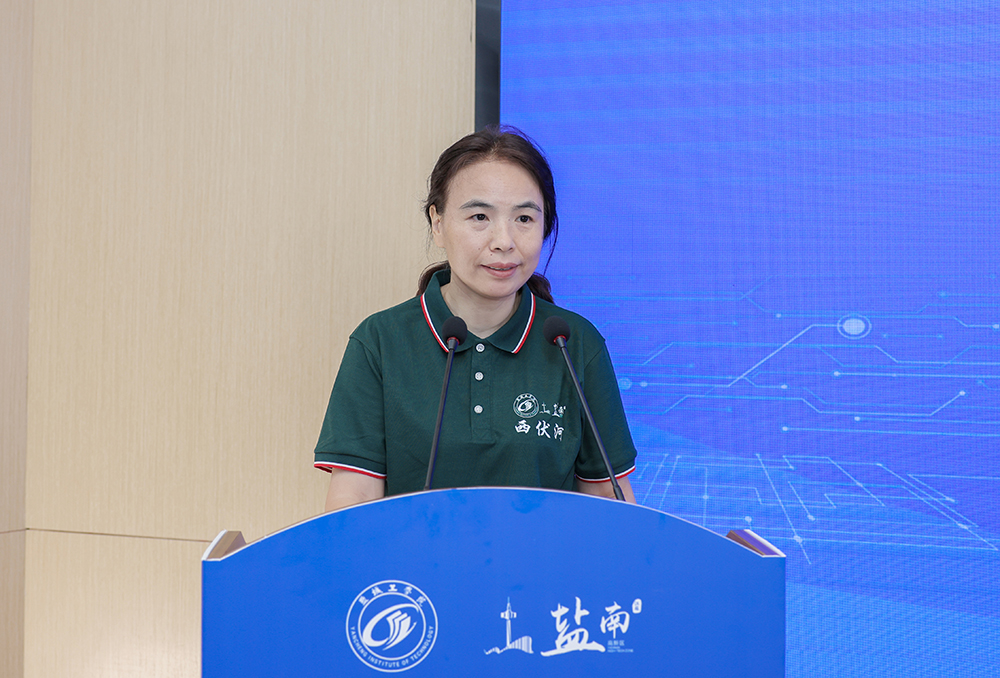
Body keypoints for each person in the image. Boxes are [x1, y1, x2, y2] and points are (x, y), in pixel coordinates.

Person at [315, 126, 637, 511]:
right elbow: (353, 501)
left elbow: (609, 501)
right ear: (437, 223)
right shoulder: (381, 342)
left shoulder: (574, 343)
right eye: (480, 216)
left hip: (545, 553)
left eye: (524, 219)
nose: (504, 242)